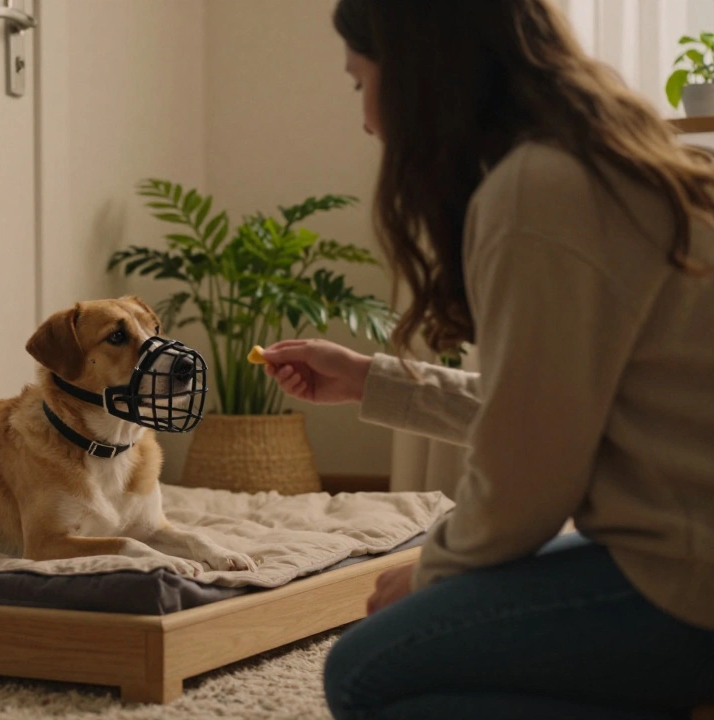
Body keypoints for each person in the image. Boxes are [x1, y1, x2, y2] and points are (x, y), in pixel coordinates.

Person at [261, 1, 714, 717]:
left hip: (689, 581)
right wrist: (370, 379)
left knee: (364, 670)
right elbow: (549, 409)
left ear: (416, 74)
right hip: (685, 551)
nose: (367, 121)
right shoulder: (596, 154)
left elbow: (527, 483)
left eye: (359, 84)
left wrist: (435, 569)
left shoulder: (539, 188)